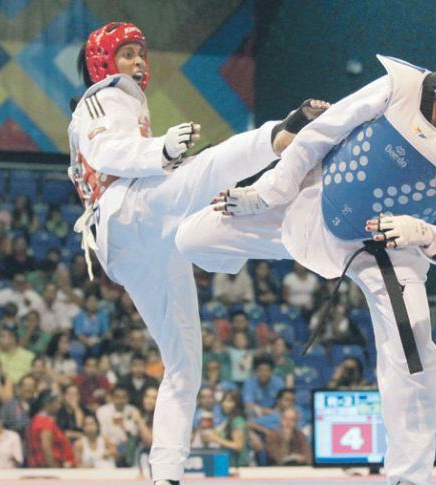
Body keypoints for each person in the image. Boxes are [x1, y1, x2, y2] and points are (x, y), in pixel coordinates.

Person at [176, 19, 436, 485]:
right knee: (191, 240)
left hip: (385, 251)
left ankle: (408, 478)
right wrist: (266, 191)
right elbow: (320, 133)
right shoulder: (399, 85)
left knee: (415, 349)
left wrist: (425, 234)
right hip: (313, 205)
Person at [68, 22, 328, 485]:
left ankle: (165, 474)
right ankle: (280, 136)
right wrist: (160, 151)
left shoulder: (128, 100)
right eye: (128, 54)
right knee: (202, 169)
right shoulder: (103, 95)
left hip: (139, 244)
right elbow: (107, 149)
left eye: (141, 55)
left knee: (185, 362)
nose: (138, 63)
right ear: (102, 62)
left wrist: (159, 155)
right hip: (124, 212)